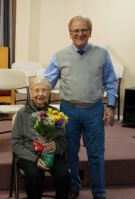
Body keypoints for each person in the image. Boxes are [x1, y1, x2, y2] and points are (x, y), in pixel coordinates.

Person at [44, 15, 117, 199]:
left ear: (90, 32)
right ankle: (74, 187)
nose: (80, 33)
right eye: (75, 30)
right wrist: (39, 96)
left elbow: (111, 82)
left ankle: (99, 193)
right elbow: (48, 82)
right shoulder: (59, 56)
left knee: (96, 155)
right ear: (69, 33)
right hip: (68, 111)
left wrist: (110, 106)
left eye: (84, 29)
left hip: (94, 110)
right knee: (70, 153)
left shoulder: (102, 54)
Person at [11, 78, 70, 199]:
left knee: (64, 174)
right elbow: (16, 143)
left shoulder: (56, 113)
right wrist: (34, 159)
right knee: (34, 175)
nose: (40, 94)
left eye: (44, 90)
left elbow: (63, 140)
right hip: (28, 154)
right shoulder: (22, 113)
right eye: (36, 90)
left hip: (51, 153)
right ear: (31, 93)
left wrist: (56, 145)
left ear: (49, 93)